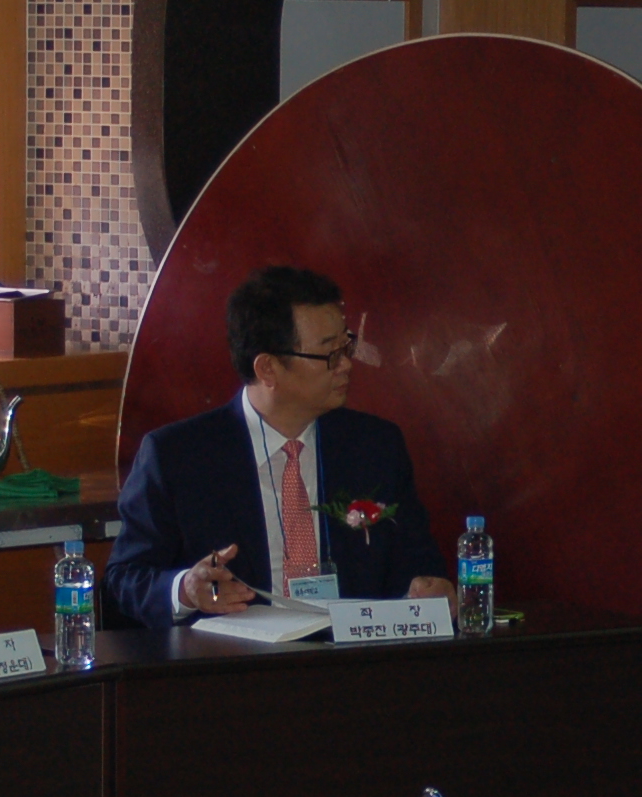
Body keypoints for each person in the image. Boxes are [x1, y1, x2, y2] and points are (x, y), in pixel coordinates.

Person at [107, 265, 453, 627]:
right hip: (235, 656)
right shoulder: (178, 456)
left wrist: (428, 588)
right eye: (330, 354)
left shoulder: (375, 446)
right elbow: (124, 579)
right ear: (268, 369)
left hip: (351, 651)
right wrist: (186, 590)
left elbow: (416, 560)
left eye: (346, 345)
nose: (347, 365)